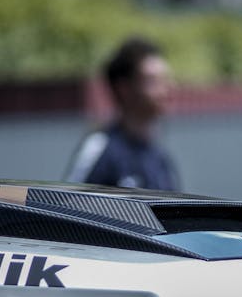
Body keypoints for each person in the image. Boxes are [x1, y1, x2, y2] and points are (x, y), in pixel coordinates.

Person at [66, 36, 180, 191]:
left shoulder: (160, 159)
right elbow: (66, 205)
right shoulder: (101, 148)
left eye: (166, 79)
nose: (168, 88)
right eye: (153, 81)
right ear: (124, 88)